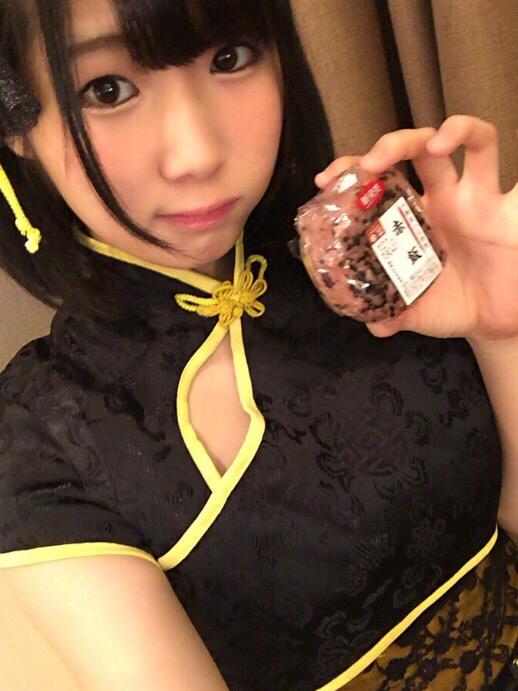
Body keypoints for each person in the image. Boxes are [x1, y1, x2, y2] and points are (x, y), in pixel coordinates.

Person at [0, 1, 516, 689]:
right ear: (15, 124)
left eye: (230, 58)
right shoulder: (40, 437)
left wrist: (501, 331)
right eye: (108, 90)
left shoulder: (362, 261)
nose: (198, 154)